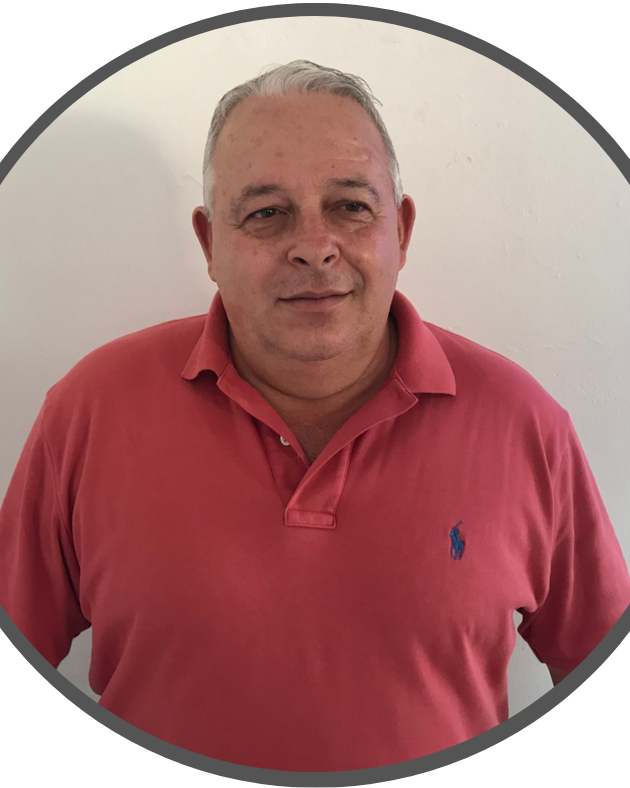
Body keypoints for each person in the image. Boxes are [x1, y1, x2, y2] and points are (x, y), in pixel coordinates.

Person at [1, 60, 629, 773]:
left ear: (402, 230)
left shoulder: (524, 425)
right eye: (266, 213)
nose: (313, 246)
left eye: (350, 206)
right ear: (210, 245)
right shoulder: (91, 412)